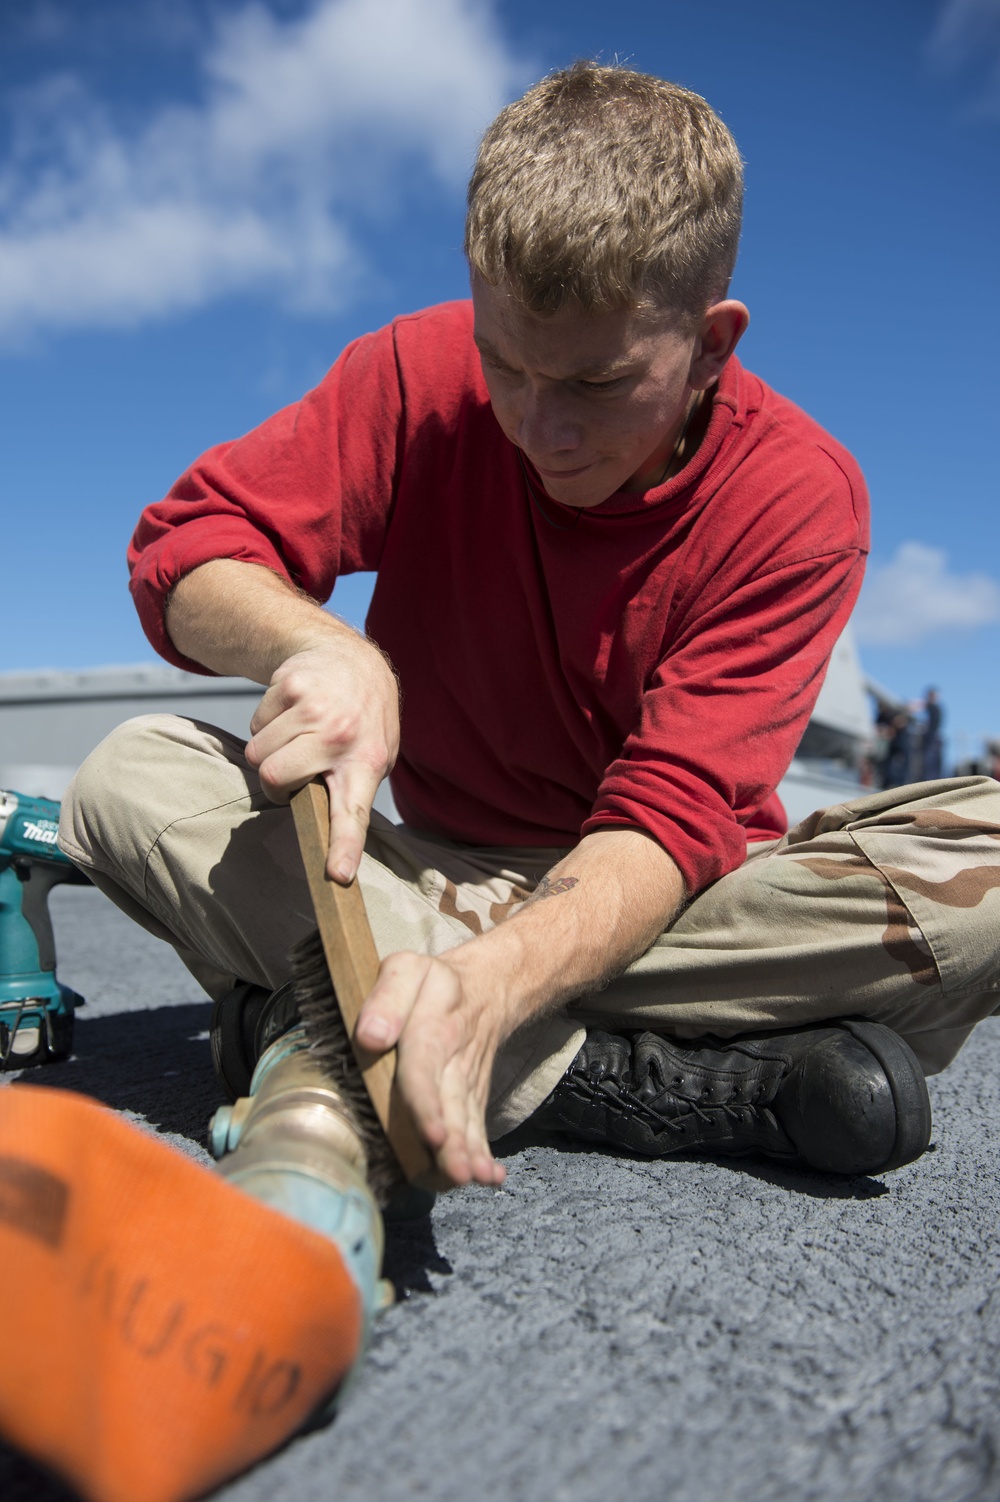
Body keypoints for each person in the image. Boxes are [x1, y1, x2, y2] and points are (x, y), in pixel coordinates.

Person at [60, 63, 1000, 1191]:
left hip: (679, 902)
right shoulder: (412, 371)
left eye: (597, 384)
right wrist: (324, 648)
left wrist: (497, 980)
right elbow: (185, 549)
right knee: (125, 777)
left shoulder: (799, 495)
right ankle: (648, 1080)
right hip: (430, 872)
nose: (537, 427)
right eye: (505, 362)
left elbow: (671, 815)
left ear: (711, 342)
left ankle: (347, 1014)